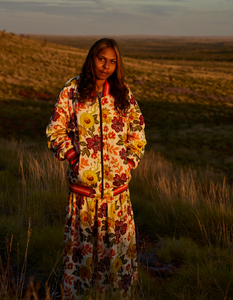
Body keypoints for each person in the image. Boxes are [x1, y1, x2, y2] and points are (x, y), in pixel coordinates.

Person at [46, 38, 146, 299]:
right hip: (84, 196)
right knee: (80, 259)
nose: (107, 66)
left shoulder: (122, 92)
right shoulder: (73, 90)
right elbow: (55, 130)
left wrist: (128, 162)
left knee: (117, 258)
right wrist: (74, 158)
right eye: (102, 59)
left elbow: (138, 131)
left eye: (113, 62)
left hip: (117, 196)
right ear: (92, 58)